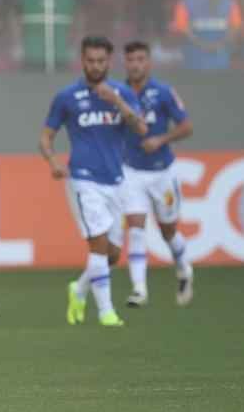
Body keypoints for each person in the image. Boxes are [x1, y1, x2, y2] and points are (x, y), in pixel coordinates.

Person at [39, 36, 148, 328]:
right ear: (82, 61)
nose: (96, 66)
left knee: (112, 254)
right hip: (83, 181)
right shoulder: (67, 97)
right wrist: (52, 161)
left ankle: (79, 288)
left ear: (108, 63)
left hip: (116, 180)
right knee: (98, 246)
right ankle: (106, 312)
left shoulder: (122, 92)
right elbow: (46, 136)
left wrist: (118, 103)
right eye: (91, 61)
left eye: (101, 61)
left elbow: (140, 129)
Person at [118, 41, 195, 307]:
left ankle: (184, 267)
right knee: (136, 227)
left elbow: (186, 127)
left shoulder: (163, 92)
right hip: (131, 172)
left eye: (141, 59)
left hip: (162, 172)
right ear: (125, 63)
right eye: (131, 60)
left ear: (149, 62)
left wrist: (160, 140)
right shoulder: (118, 93)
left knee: (168, 231)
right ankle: (139, 289)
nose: (136, 64)